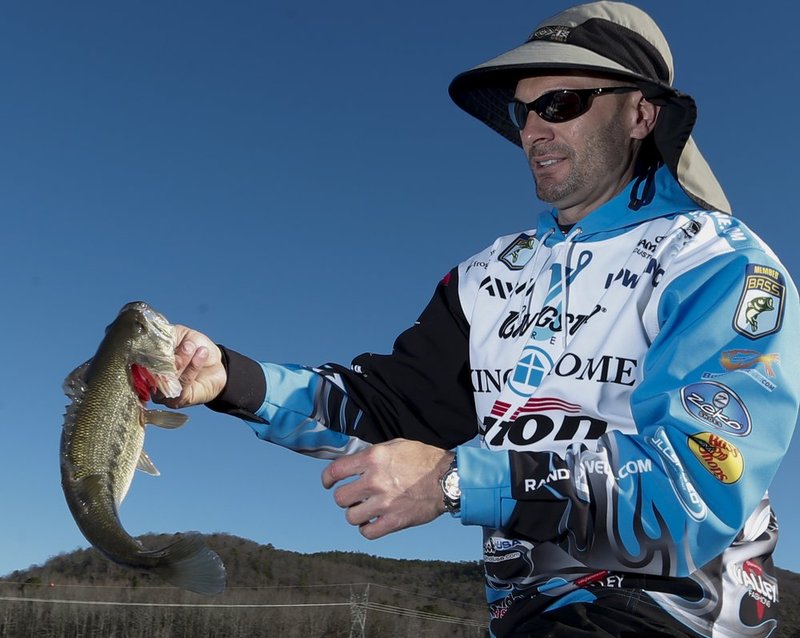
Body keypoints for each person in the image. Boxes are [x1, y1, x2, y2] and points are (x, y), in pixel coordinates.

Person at [160, 2, 800, 636]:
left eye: (561, 104)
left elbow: (694, 487)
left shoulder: (719, 264)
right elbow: (392, 408)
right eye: (524, 112)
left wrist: (454, 479)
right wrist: (228, 381)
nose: (532, 131)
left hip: (672, 613)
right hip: (521, 615)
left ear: (641, 113)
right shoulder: (485, 277)